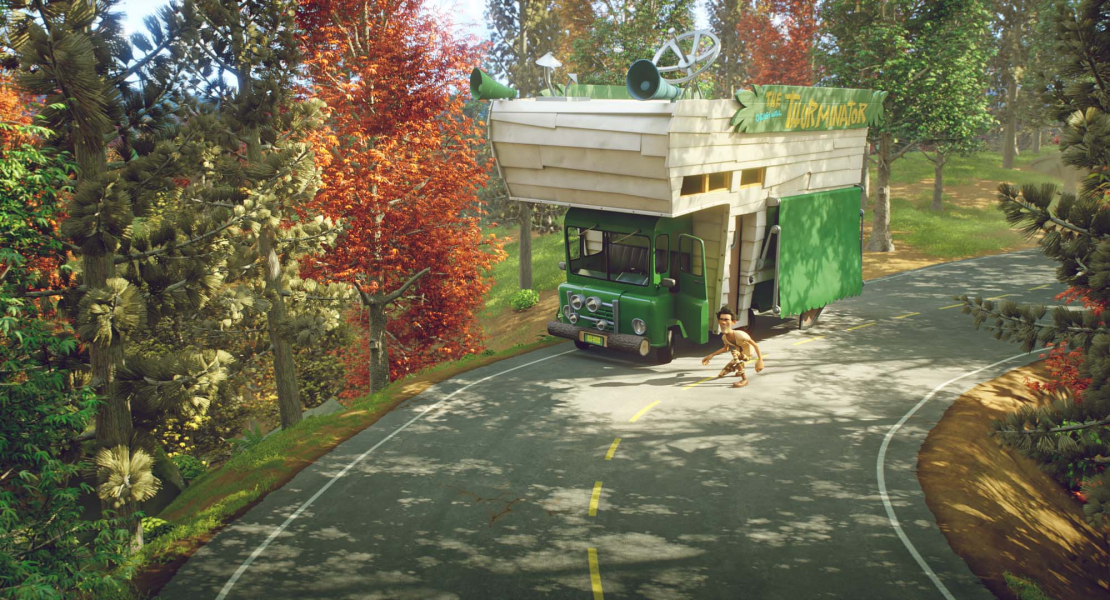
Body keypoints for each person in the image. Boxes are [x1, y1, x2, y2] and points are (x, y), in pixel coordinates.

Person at [701, 306, 764, 388]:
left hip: (747, 354)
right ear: (718, 321)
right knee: (721, 374)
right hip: (739, 355)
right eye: (721, 319)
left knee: (734, 352)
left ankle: (744, 379)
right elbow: (725, 348)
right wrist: (711, 355)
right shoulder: (724, 337)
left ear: (733, 322)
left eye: (726, 319)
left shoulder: (740, 335)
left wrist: (760, 360)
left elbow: (755, 345)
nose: (723, 322)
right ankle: (739, 367)